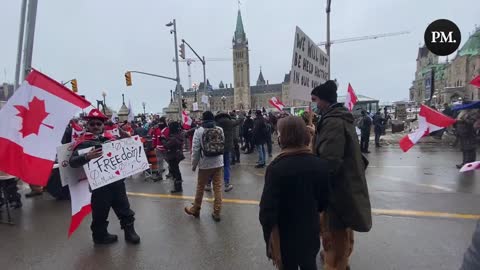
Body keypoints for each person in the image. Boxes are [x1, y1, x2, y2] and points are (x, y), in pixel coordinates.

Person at [311, 80, 372, 270]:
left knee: (335, 235)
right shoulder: (339, 118)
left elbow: (329, 162)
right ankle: (341, 259)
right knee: (344, 230)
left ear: (325, 101)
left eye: (316, 100)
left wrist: (317, 188)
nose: (314, 105)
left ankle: (337, 263)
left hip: (337, 191)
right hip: (346, 188)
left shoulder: (333, 122)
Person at [260, 116, 329, 270]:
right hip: (310, 232)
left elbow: (267, 212)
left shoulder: (276, 169)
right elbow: (324, 201)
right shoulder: (320, 165)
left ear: (283, 137)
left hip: (285, 236)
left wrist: (270, 240)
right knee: (309, 264)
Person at [69, 109, 140, 245]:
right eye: (93, 124)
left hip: (117, 183)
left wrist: (127, 139)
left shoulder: (111, 139)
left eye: (98, 124)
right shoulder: (82, 143)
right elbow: (72, 162)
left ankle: (129, 232)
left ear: (103, 126)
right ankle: (100, 236)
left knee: (125, 208)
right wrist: (86, 157)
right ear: (87, 126)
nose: (96, 127)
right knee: (100, 213)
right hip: (99, 186)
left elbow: (129, 152)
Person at [184, 111, 224, 222]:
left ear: (203, 119)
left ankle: (195, 209)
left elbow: (196, 150)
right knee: (218, 188)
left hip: (205, 164)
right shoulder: (220, 129)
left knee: (200, 187)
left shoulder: (199, 131)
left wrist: (193, 165)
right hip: (218, 162)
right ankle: (217, 212)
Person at [207, 111, 242, 192]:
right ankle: (227, 184)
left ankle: (208, 183)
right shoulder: (230, 122)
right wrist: (241, 115)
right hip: (227, 148)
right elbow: (239, 121)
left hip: (218, 147)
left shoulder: (216, 123)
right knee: (226, 165)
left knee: (215, 166)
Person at [162, 121, 185, 193]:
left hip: (173, 156)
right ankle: (178, 186)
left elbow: (167, 145)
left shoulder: (174, 137)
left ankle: (178, 188)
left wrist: (162, 140)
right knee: (176, 171)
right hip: (177, 155)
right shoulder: (179, 135)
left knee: (175, 171)